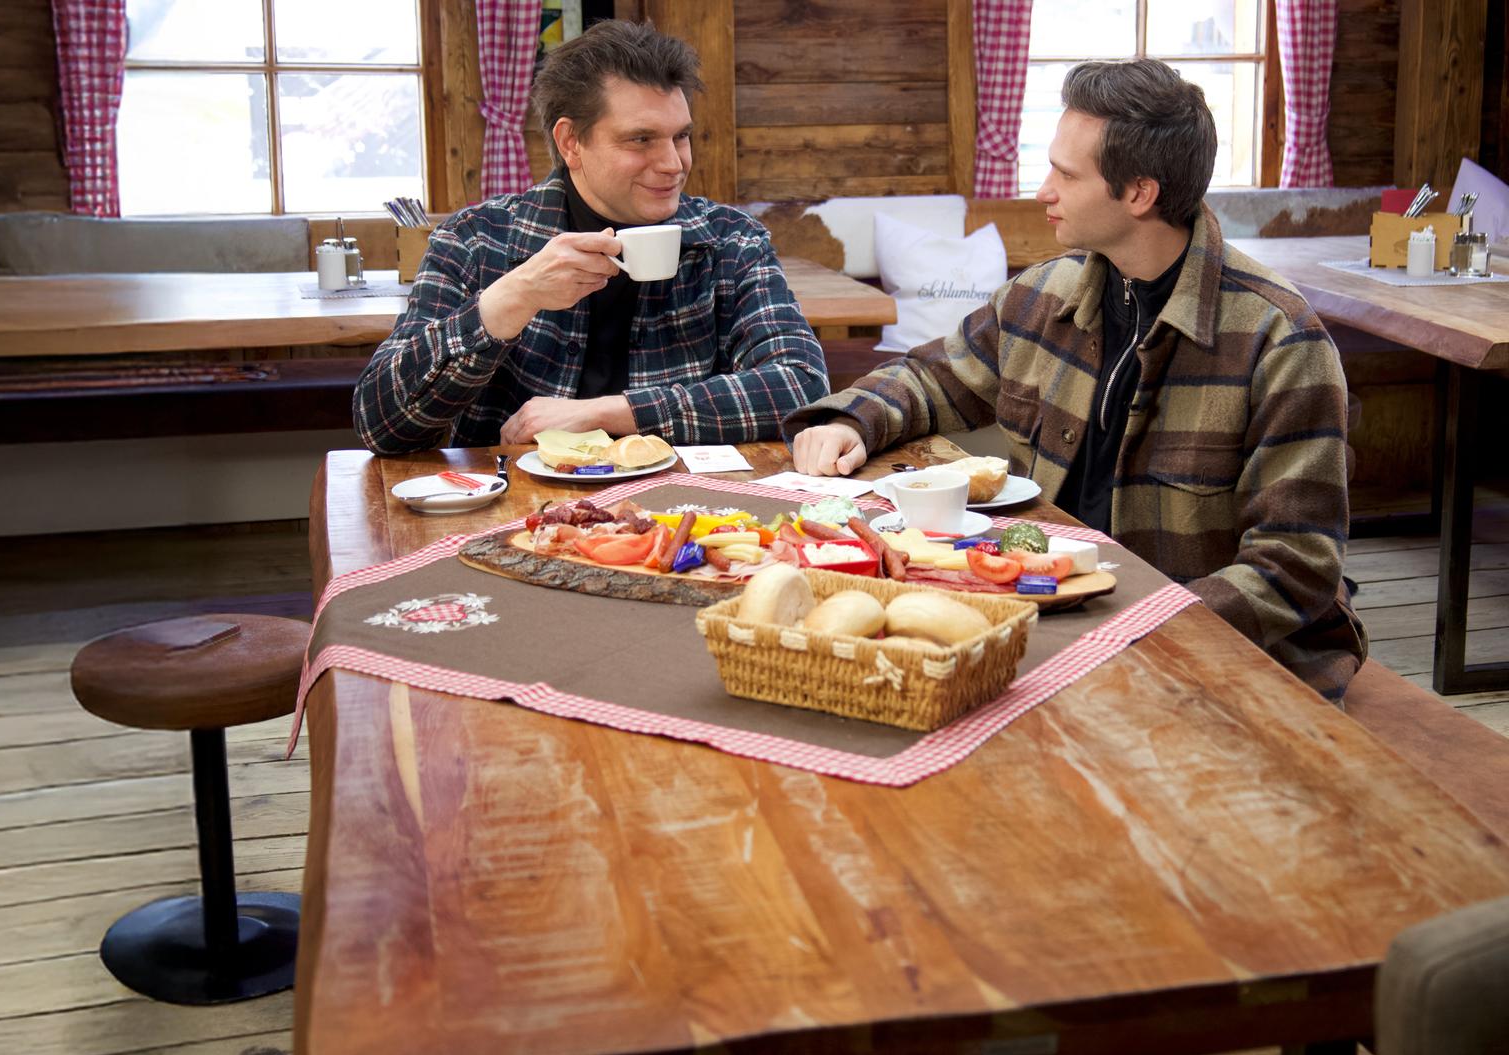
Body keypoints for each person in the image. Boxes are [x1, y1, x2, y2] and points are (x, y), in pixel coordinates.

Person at [785, 59, 1366, 701]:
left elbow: (1294, 568)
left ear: (1139, 193)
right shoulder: (1042, 294)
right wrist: (849, 418)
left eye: (1065, 173)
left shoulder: (1280, 340)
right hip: (1058, 622)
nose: (1043, 191)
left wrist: (1131, 627)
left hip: (1216, 662)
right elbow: (931, 377)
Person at [353, 20, 828, 455]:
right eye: (641, 139)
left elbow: (802, 387)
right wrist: (510, 300)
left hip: (682, 509)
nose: (673, 164)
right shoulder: (475, 240)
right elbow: (383, 426)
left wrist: (615, 412)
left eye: (680, 137)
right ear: (570, 143)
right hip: (513, 510)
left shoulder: (732, 240)